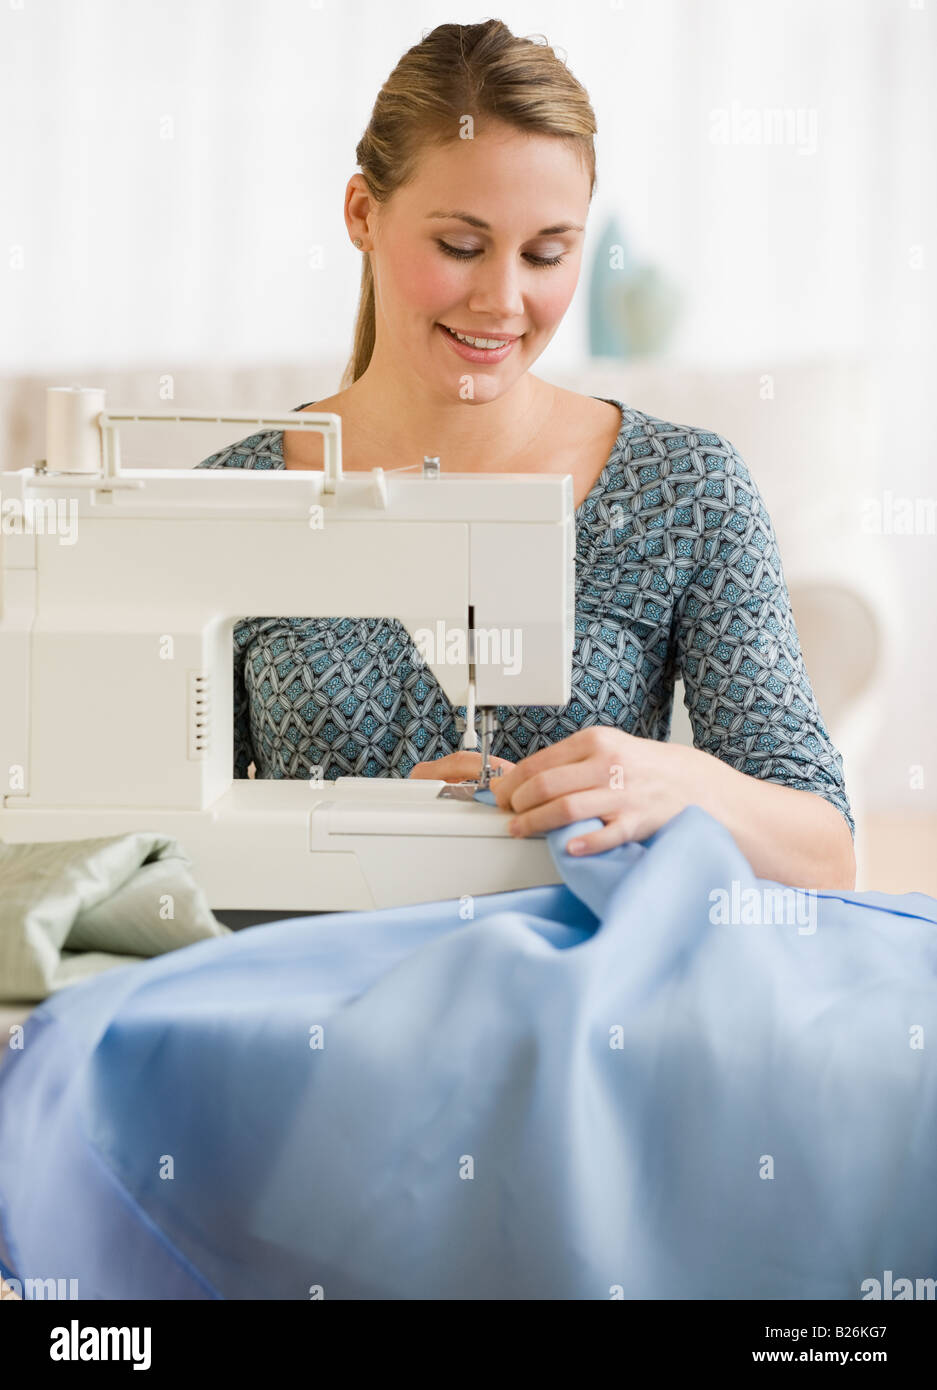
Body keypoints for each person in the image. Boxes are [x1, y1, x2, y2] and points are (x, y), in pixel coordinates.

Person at [194, 19, 854, 890]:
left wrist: (677, 784)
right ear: (362, 213)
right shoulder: (230, 500)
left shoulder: (685, 488)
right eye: (459, 247)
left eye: (547, 253)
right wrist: (369, 834)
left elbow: (824, 855)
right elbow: (146, 849)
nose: (503, 300)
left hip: (579, 987)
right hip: (318, 975)